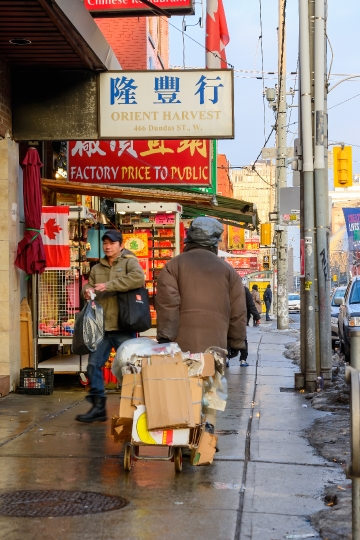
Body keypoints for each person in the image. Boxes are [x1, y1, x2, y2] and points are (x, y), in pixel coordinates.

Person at [75, 230, 145, 423]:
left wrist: (109, 285)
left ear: (120, 245)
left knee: (129, 368)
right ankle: (98, 407)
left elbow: (138, 279)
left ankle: (134, 408)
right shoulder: (97, 268)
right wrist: (87, 292)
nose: (107, 246)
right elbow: (87, 286)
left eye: (112, 243)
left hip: (124, 325)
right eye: (105, 243)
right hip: (102, 328)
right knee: (92, 366)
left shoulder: (129, 262)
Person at [155, 217, 247, 354]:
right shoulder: (229, 271)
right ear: (215, 243)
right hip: (216, 345)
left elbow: (168, 304)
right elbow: (238, 311)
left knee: (182, 374)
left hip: (180, 347)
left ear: (189, 239)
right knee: (212, 374)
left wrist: (165, 337)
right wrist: (236, 342)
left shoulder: (173, 266)